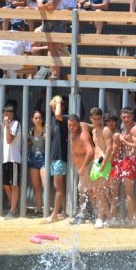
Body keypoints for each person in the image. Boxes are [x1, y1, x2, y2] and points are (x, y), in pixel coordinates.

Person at [114, 106, 136, 226]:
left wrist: (122, 140)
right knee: (127, 191)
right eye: (124, 117)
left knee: (129, 191)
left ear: (132, 117)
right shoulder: (123, 127)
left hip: (132, 160)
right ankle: (132, 216)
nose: (126, 119)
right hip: (126, 159)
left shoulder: (135, 129)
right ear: (121, 117)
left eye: (128, 117)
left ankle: (132, 218)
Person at [36, 0, 65, 79]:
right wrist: (45, 6)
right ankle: (54, 73)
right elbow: (40, 6)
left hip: (58, 21)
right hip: (47, 21)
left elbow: (54, 6)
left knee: (54, 48)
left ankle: (54, 73)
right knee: (51, 48)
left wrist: (44, 6)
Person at [45, 95, 69, 223]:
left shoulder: (64, 118)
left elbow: (59, 114)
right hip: (55, 156)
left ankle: (54, 214)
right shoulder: (54, 119)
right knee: (60, 185)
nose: (54, 110)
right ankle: (63, 211)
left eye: (55, 107)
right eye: (53, 108)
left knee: (57, 185)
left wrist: (58, 100)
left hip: (60, 156)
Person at [89, 107, 114, 229]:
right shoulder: (93, 131)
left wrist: (104, 164)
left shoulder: (106, 130)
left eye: (99, 119)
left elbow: (109, 148)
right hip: (96, 162)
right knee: (97, 192)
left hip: (103, 162)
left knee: (101, 191)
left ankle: (100, 218)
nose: (97, 121)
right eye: (94, 119)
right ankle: (109, 216)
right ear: (91, 119)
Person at [68, 113, 95, 223]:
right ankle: (83, 214)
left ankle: (93, 214)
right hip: (80, 166)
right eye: (69, 125)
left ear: (78, 124)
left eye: (74, 125)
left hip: (86, 165)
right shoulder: (81, 126)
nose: (72, 127)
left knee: (90, 190)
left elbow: (90, 151)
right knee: (82, 190)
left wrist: (83, 167)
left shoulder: (83, 135)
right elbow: (91, 125)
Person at [0, 104, 22, 218]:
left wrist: (7, 125)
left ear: (13, 114)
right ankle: (14, 207)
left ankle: (13, 210)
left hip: (14, 159)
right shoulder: (5, 125)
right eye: (5, 114)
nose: (7, 116)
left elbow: (9, 140)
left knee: (14, 185)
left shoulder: (15, 124)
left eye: (10, 114)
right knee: (5, 185)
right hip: (6, 159)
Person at [27, 109, 47, 217]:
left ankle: (46, 209)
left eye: (39, 118)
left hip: (44, 158)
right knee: (36, 186)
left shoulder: (46, 129)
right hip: (33, 158)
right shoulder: (30, 131)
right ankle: (39, 209)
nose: (38, 120)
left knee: (45, 185)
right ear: (32, 119)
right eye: (36, 118)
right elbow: (29, 144)